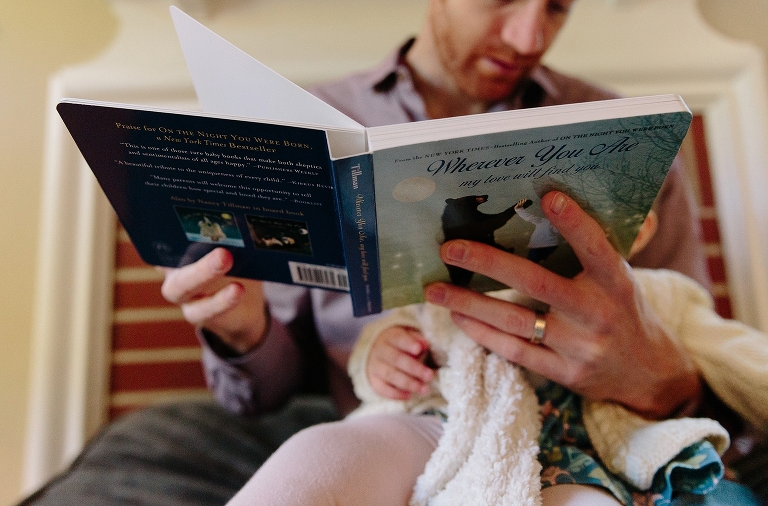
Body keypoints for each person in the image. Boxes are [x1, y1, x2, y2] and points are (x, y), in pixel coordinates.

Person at [18, 0, 763, 505]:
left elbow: (698, 332)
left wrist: (664, 380)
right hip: (398, 421)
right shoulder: (304, 123)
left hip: (589, 432)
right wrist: (238, 328)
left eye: (558, 5)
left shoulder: (627, 136)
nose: (530, 35)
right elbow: (265, 393)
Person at [220, 207, 766, 506]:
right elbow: (387, 341)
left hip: (598, 451)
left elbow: (748, 365)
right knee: (320, 452)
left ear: (641, 227)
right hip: (443, 421)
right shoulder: (443, 288)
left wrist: (671, 375)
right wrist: (381, 358)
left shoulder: (664, 295)